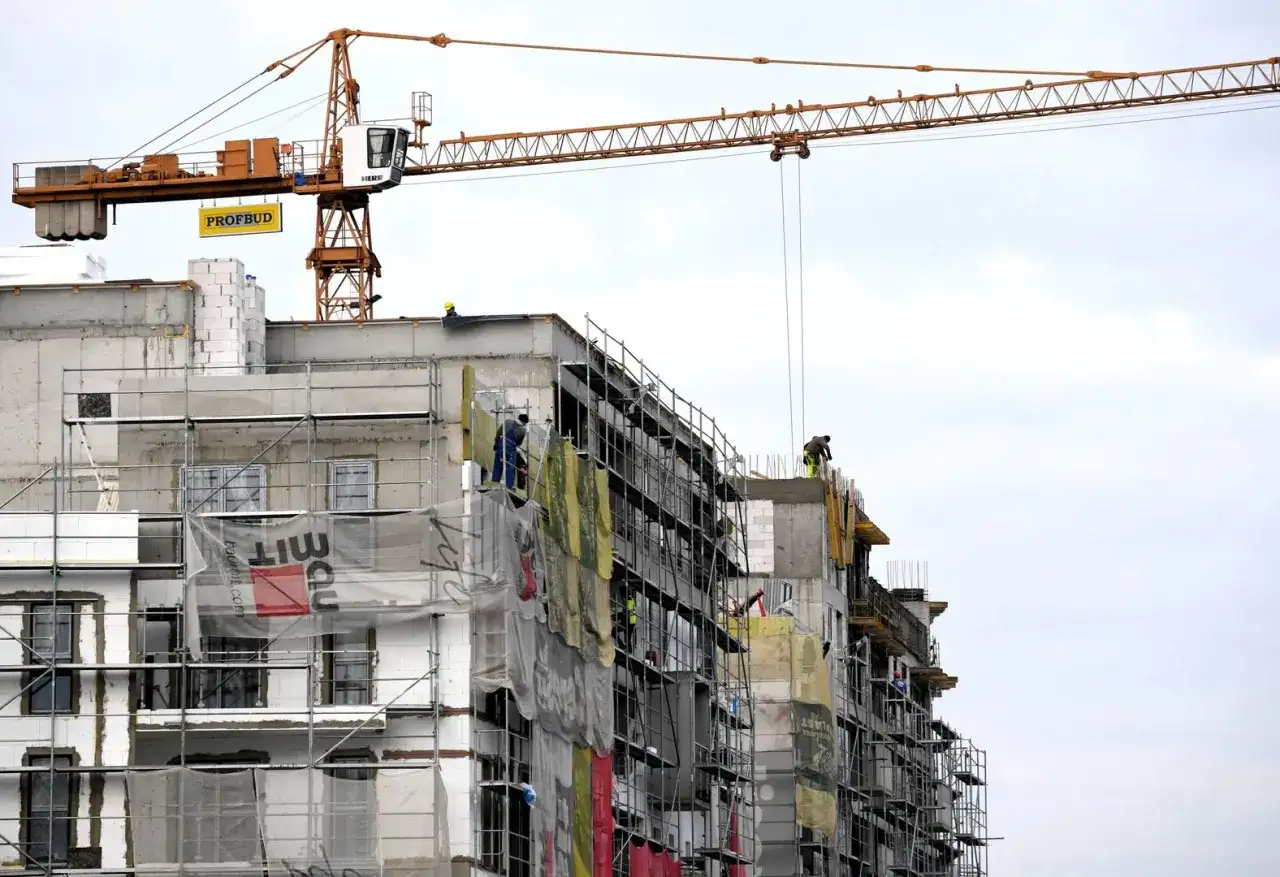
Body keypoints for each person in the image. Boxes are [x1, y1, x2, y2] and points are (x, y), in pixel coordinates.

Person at [492, 413, 529, 490]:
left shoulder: (507, 421)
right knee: (510, 467)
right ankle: (508, 486)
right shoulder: (523, 430)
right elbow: (519, 443)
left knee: (498, 466)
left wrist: (496, 443)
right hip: (510, 447)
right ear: (525, 423)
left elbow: (498, 432)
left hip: (500, 445)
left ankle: (494, 483)